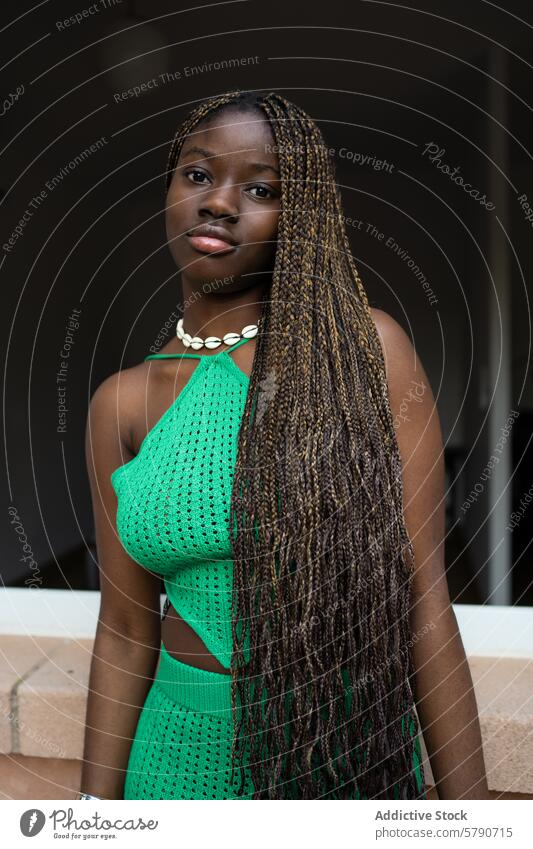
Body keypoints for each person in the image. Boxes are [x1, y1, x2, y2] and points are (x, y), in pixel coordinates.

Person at [79, 89, 490, 800]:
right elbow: (122, 630)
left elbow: (423, 600)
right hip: (170, 765)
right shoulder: (121, 403)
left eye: (261, 187)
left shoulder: (364, 350)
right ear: (170, 189)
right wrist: (92, 813)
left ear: (298, 217)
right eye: (199, 175)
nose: (220, 201)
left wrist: (469, 814)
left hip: (337, 757)